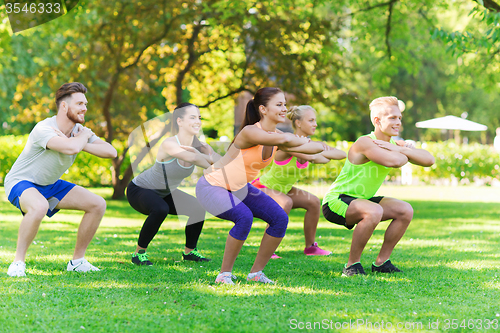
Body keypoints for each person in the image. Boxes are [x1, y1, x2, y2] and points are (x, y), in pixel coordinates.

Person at [196, 87, 323, 284]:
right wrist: (298, 140)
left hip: (239, 188)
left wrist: (305, 142)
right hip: (212, 186)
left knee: (279, 218)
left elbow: (313, 148)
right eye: (279, 105)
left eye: (284, 104)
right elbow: (287, 140)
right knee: (243, 216)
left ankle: (256, 273)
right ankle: (224, 274)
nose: (284, 109)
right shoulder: (250, 132)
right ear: (263, 109)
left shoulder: (277, 135)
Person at [5, 82, 117, 277]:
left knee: (97, 204)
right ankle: (17, 262)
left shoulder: (80, 132)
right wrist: (78, 141)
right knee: (39, 206)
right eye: (80, 104)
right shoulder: (44, 128)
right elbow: (70, 148)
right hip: (21, 181)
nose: (85, 108)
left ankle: (77, 261)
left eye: (86, 104)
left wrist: (80, 141)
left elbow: (111, 151)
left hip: (50, 184)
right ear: (64, 106)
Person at [322, 96, 435, 276]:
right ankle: (351, 266)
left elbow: (429, 160)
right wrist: (404, 150)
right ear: (377, 120)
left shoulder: (393, 144)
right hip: (337, 200)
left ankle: (382, 263)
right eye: (392, 118)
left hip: (363, 200)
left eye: (399, 118)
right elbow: (396, 161)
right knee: (374, 211)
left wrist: (401, 148)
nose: (398, 122)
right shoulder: (365, 142)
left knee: (405, 210)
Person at [126, 103, 219, 265]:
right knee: (161, 208)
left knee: (197, 208)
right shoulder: (169, 144)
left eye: (199, 117)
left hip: (165, 191)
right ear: (179, 121)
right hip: (140, 189)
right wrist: (206, 158)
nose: (198, 121)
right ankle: (138, 253)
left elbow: (220, 161)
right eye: (192, 117)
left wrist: (205, 155)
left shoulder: (202, 147)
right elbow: (197, 159)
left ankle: (190, 252)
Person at [252, 105, 346, 257]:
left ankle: (310, 247)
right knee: (285, 202)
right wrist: (318, 148)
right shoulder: (287, 143)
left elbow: (341, 154)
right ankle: (268, 249)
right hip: (263, 187)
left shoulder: (311, 145)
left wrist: (316, 147)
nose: (315, 124)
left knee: (313, 202)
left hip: (283, 188)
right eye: (311, 120)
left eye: (315, 120)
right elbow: (312, 157)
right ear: (298, 123)